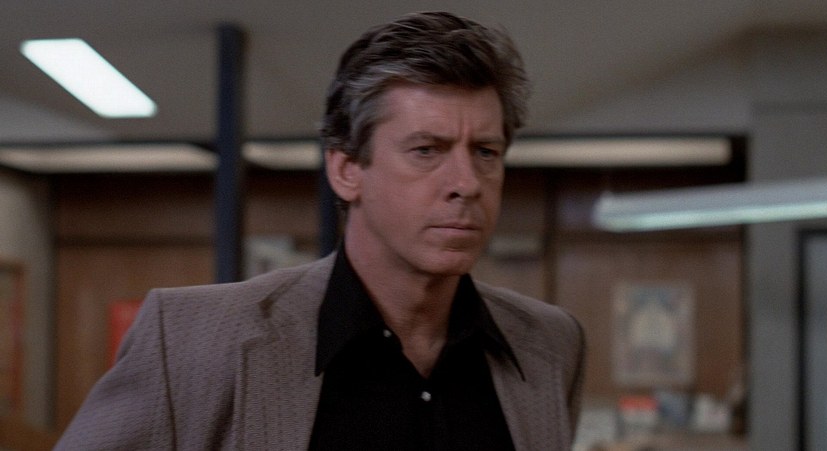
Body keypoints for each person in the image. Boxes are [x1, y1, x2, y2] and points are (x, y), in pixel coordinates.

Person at [55, 11, 584, 450]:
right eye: (427, 150)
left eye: (486, 152)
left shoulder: (550, 344)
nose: (466, 183)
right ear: (347, 170)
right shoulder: (194, 341)